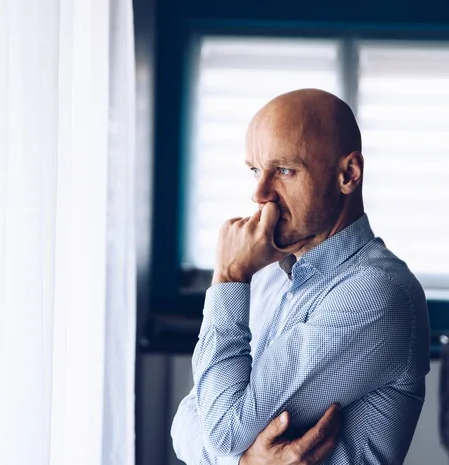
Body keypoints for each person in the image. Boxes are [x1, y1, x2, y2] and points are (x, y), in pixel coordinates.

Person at [171, 89, 430, 465]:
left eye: (285, 170)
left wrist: (228, 276)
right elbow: (185, 420)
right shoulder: (264, 276)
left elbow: (223, 428)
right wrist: (243, 463)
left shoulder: (378, 294)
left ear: (348, 174)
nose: (260, 195)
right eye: (255, 170)